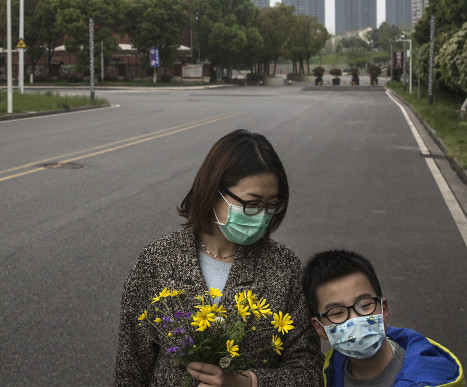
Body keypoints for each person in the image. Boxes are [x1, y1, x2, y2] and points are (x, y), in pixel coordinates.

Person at [115, 130, 322, 386]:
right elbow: (131, 367)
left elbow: (309, 370)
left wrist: (249, 382)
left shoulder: (283, 266)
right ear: (214, 191)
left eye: (272, 205)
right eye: (252, 204)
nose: (262, 216)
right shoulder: (158, 260)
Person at [301, 250, 464, 387]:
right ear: (320, 327)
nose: (355, 319)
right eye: (337, 313)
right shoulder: (327, 374)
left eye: (365, 305)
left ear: (384, 310)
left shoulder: (430, 380)